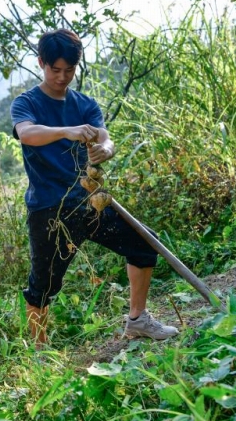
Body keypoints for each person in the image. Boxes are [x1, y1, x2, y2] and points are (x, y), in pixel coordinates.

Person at [10, 28, 179, 348]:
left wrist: (107, 149)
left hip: (90, 202)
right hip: (49, 209)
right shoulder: (27, 102)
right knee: (43, 285)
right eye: (55, 70)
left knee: (144, 243)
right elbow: (28, 133)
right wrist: (67, 131)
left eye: (69, 70)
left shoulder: (84, 104)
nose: (62, 77)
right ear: (41, 63)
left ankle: (138, 321)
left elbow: (104, 137)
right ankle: (38, 350)